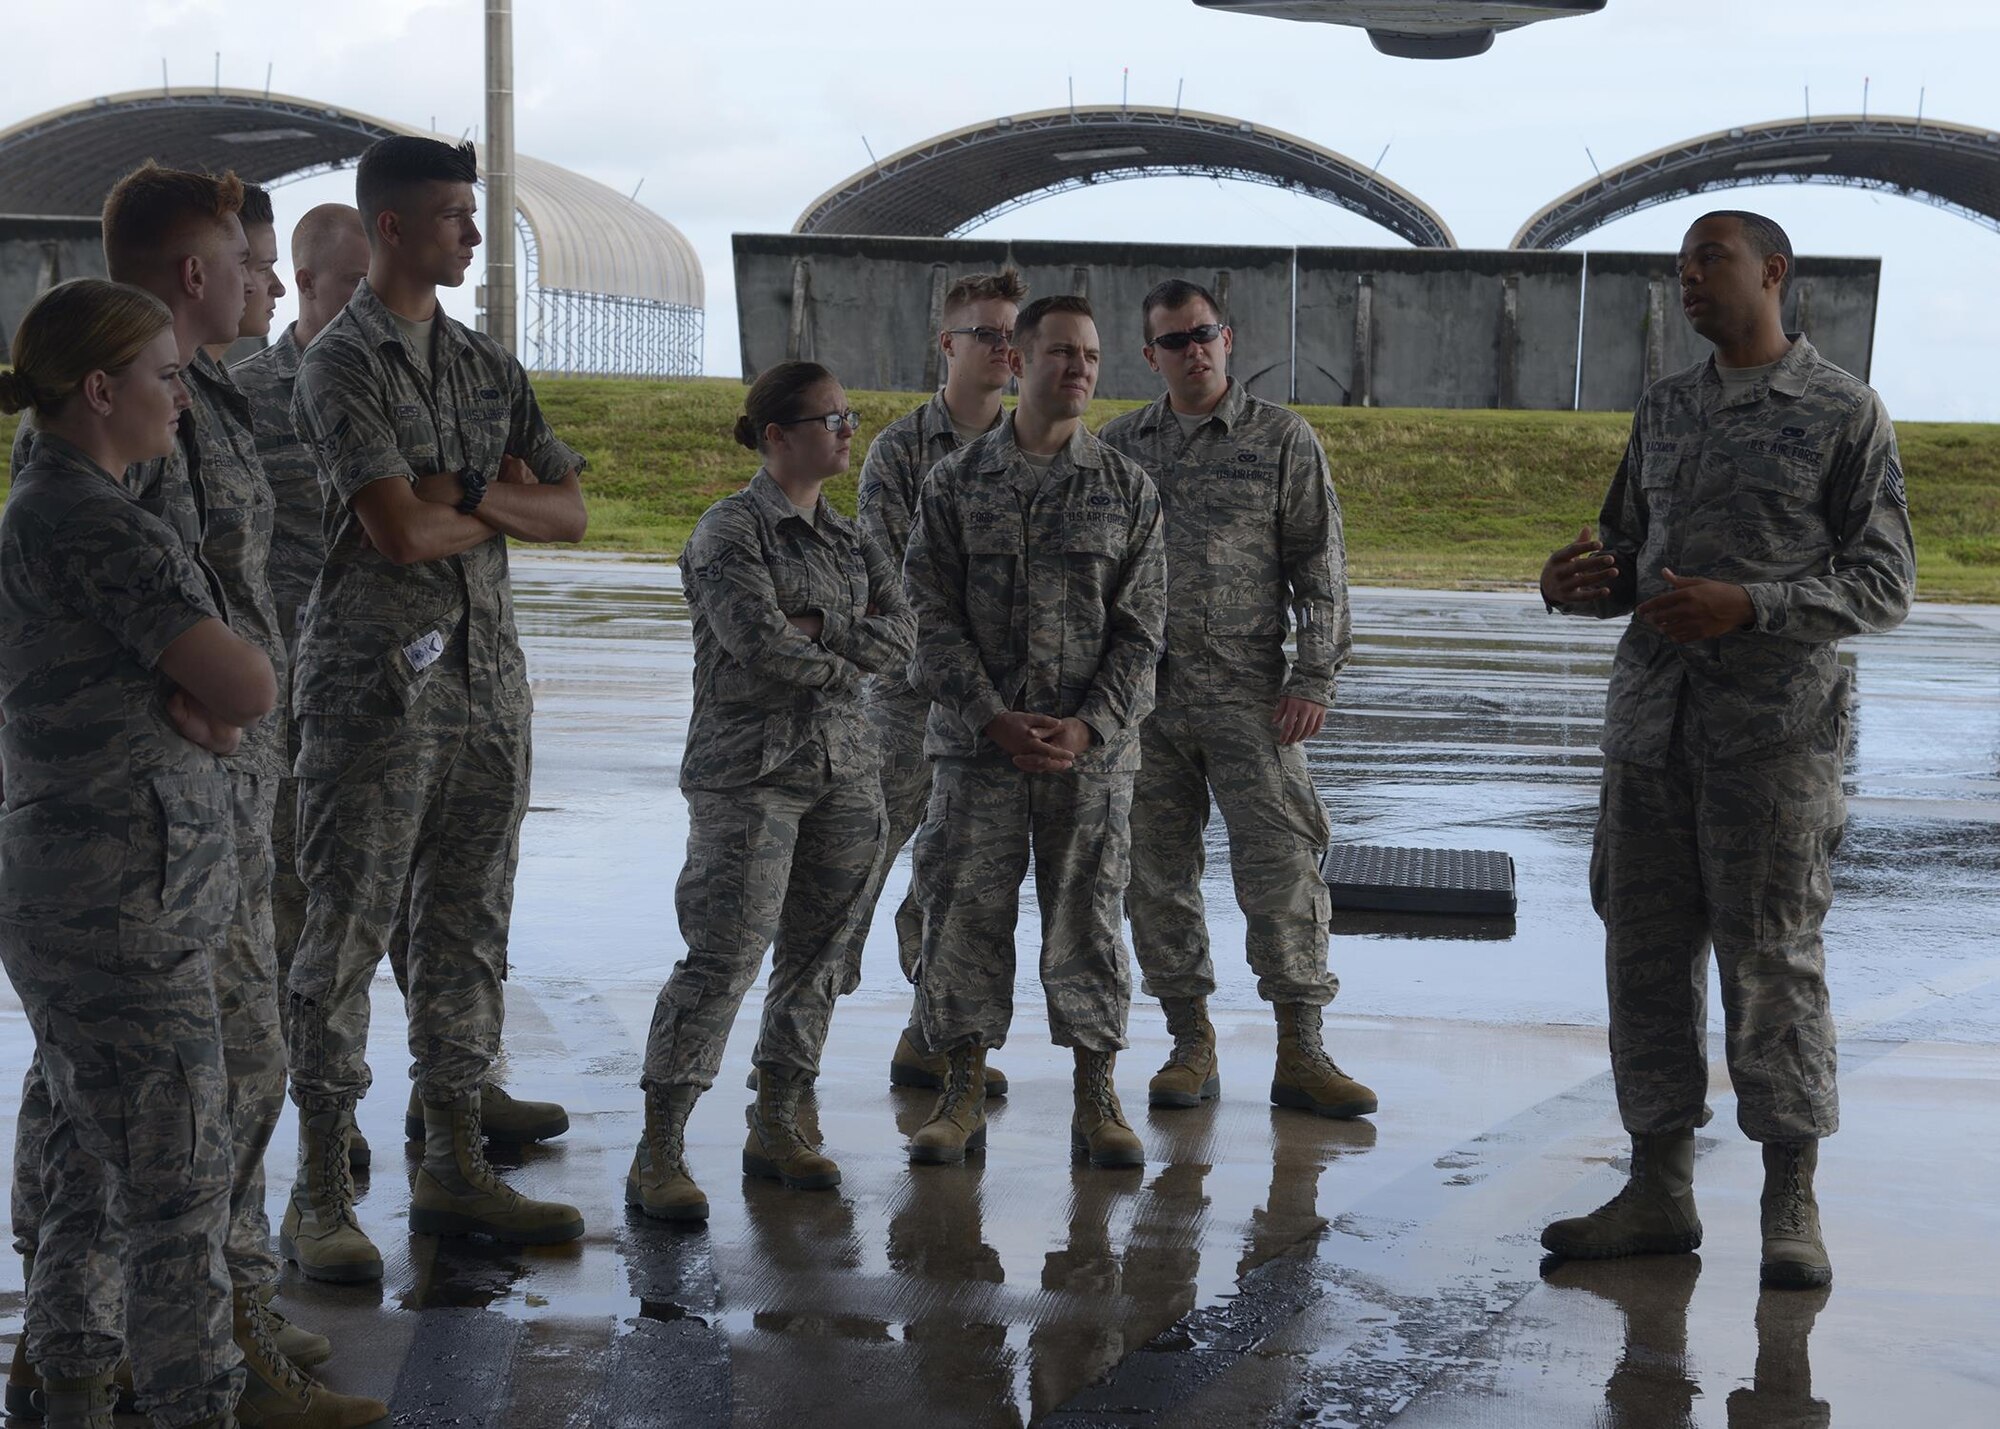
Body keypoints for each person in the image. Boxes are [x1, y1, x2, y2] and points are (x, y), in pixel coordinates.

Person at [10, 165, 384, 1429]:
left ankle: (97, 1348)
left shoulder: (190, 402)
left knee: (122, 1113)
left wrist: (230, 700)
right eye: (248, 260)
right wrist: (231, 697)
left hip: (190, 813)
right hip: (139, 838)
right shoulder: (112, 452)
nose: (266, 283)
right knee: (163, 1131)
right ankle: (180, 1355)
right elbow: (195, 647)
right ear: (187, 276)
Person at [1538, 210, 1915, 1290]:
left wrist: (1749, 604)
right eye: (1679, 267)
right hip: (1650, 738)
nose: (1687, 280)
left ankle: (1788, 1198)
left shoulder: (1841, 412)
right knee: (1643, 960)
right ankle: (1656, 1184)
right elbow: (1618, 548)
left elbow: (1882, 585)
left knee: (1770, 963)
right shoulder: (1664, 409)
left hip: (1770, 746)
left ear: (1773, 273)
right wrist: (1568, 584)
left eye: (1710, 260)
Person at [281, 135, 587, 1282]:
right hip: (373, 694)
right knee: (345, 937)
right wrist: (490, 502)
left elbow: (572, 513)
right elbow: (395, 534)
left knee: (467, 931)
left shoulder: (485, 367)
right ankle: (319, 1187)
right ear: (393, 231)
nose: (472, 232)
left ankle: (456, 1158)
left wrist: (466, 492)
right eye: (455, 216)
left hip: (485, 691)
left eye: (474, 212)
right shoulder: (340, 365)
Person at [0, 277, 276, 1429]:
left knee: (85, 1159)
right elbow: (247, 683)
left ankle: (67, 1383)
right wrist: (221, 710)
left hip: (87, 886)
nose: (185, 399)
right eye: (165, 378)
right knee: (177, 1191)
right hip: (128, 896)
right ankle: (188, 1403)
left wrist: (211, 712)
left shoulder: (42, 501)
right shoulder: (101, 522)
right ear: (101, 389)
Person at [630, 361, 915, 1222]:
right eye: (831, 418)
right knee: (722, 958)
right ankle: (661, 1149)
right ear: (777, 436)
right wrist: (843, 647)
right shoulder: (729, 532)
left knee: (819, 960)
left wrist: (822, 628)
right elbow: (758, 642)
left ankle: (779, 1121)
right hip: (748, 779)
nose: (847, 430)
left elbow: (903, 635)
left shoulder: (851, 538)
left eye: (850, 413)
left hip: (844, 772)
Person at [1098, 279, 1377, 1121]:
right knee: (1155, 877)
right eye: (1174, 340)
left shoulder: (1281, 439)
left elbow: (1319, 570)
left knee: (1282, 867)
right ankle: (1190, 1041)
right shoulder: (1119, 446)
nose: (1194, 350)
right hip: (1144, 703)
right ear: (1151, 356)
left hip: (1251, 697)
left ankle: (1303, 1047)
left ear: (1229, 337)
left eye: (1205, 334)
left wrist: (1314, 677)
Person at [901, 294, 1167, 1170]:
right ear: (1018, 361)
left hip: (1088, 757)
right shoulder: (956, 482)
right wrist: (990, 713)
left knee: (1088, 914)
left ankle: (1098, 1098)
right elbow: (927, 614)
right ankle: (961, 1091)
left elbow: (1143, 632)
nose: (1079, 369)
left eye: (1090, 355)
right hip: (979, 750)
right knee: (964, 914)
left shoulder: (1127, 489)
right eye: (1060, 352)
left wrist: (1088, 728)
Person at [852, 269, 1026, 1099]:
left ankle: (932, 1035)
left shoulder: (1038, 445)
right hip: (908, 703)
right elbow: (893, 578)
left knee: (959, 876)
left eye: (1011, 335)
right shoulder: (899, 451)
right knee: (857, 864)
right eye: (986, 333)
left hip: (992, 713)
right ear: (947, 344)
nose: (1003, 348)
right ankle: (792, 1048)